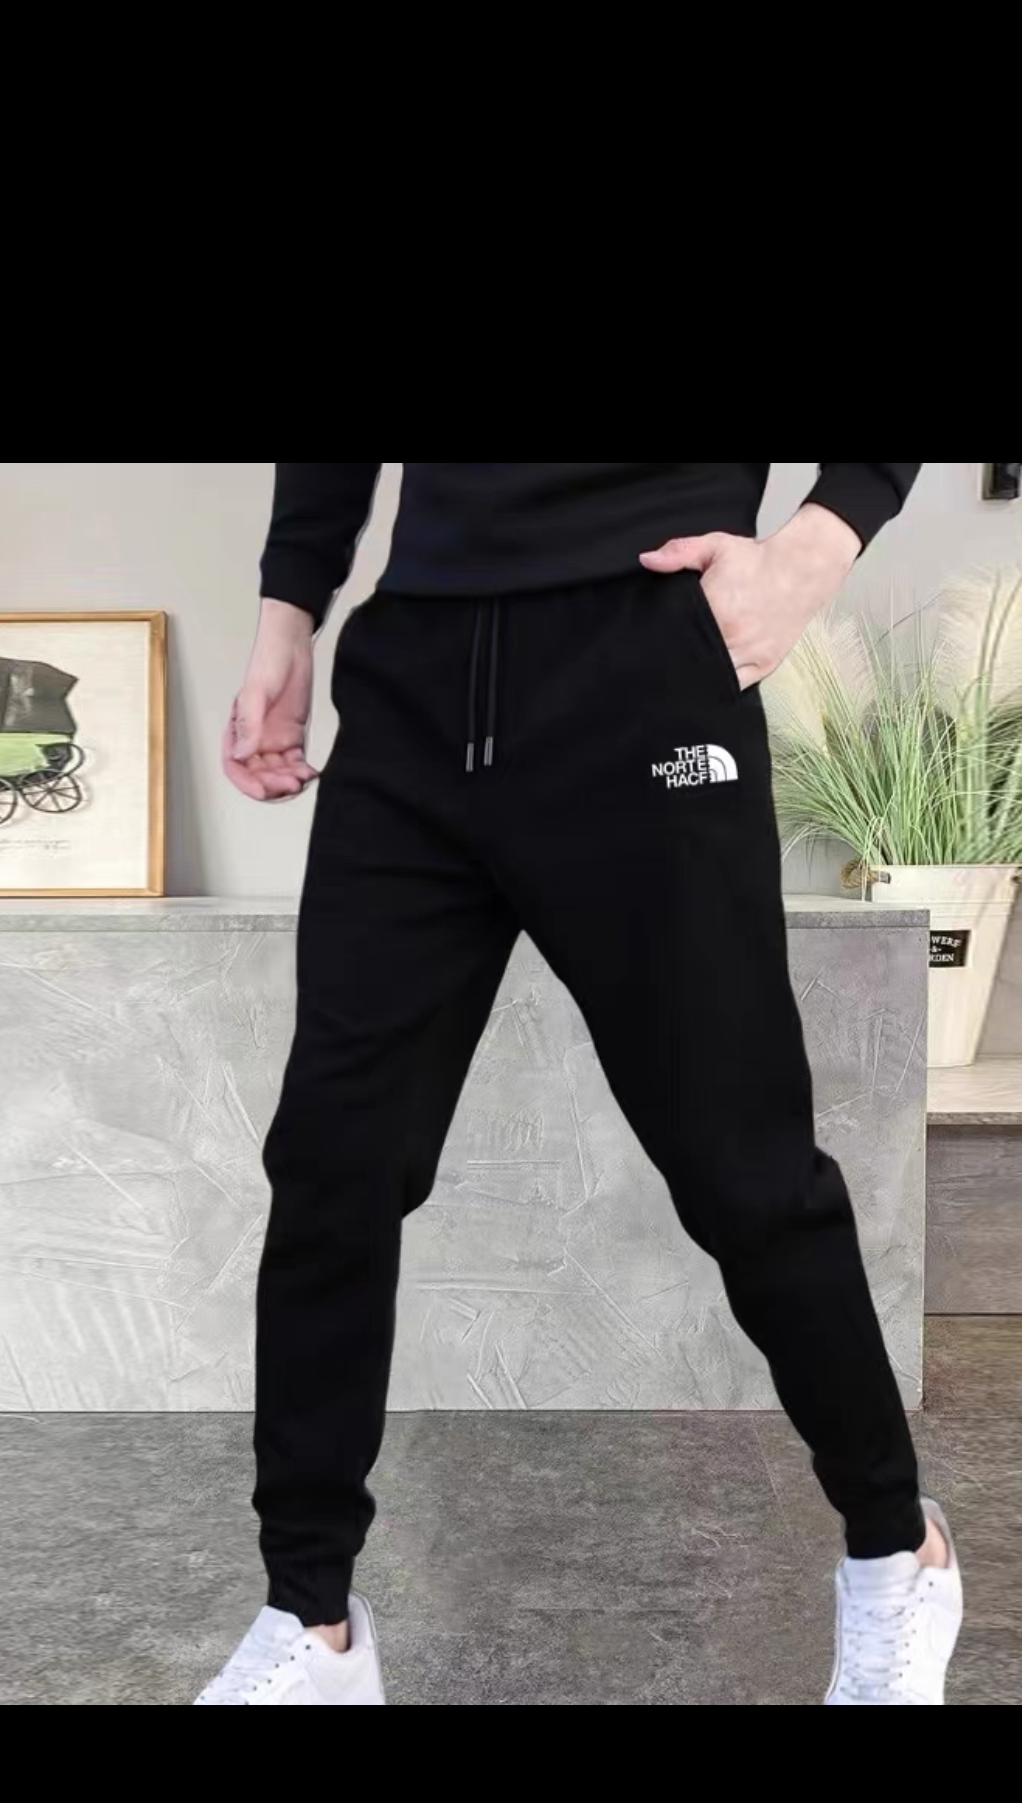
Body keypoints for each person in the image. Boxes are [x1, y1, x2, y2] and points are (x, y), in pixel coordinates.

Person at [195, 463, 961, 1708]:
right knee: (335, 1165)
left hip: (642, 660)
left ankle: (896, 1549)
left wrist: (814, 549)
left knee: (744, 1174)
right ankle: (310, 1619)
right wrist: (290, 613)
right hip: (412, 681)